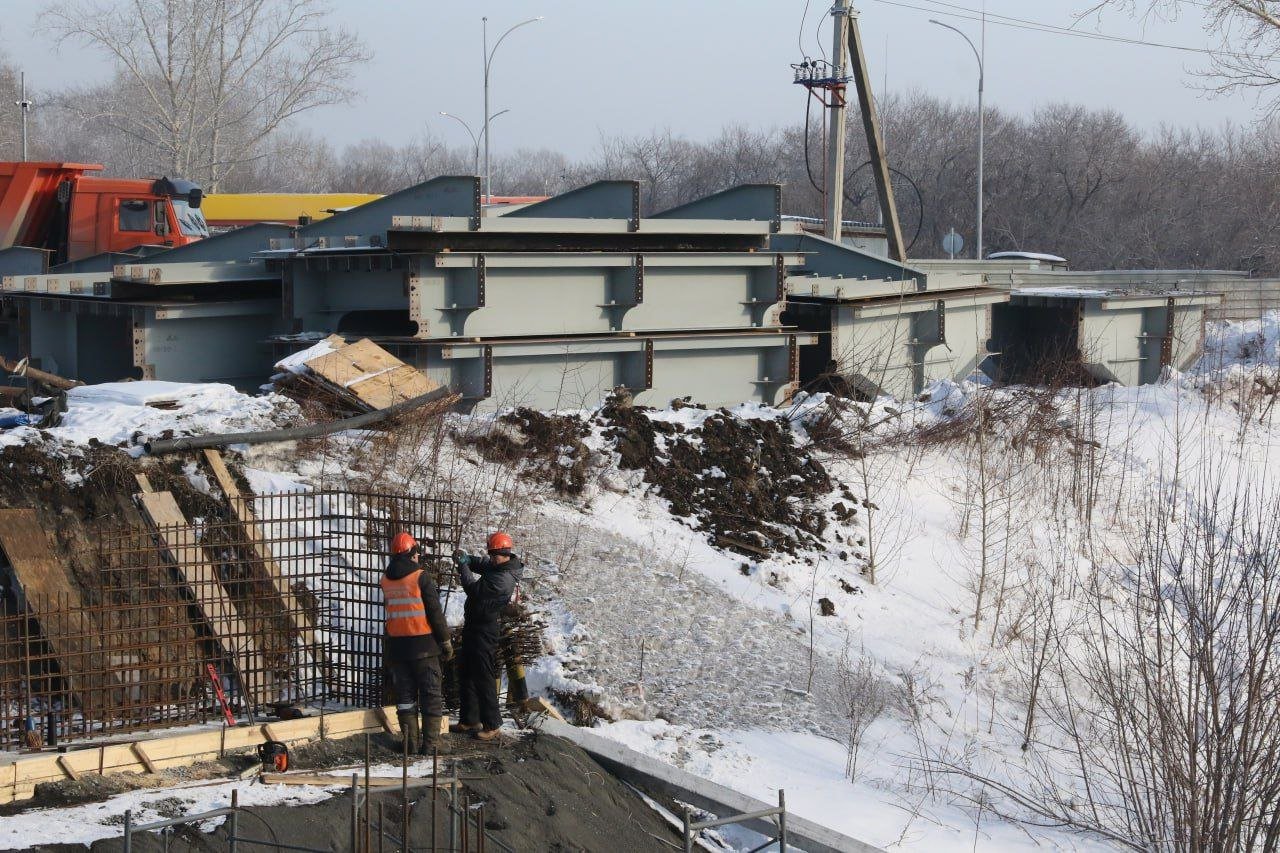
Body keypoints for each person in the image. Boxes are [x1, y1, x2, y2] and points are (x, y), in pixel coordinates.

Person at [381, 531, 452, 754]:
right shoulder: (421, 576)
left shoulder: (386, 579)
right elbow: (434, 612)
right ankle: (431, 745)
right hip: (423, 646)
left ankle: (409, 743)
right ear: (413, 553)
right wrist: (445, 641)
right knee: (431, 695)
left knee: (405, 697)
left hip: (398, 648)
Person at [451, 531, 523, 742]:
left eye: (494, 555)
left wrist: (462, 566)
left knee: (483, 674)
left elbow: (472, 589)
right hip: (475, 624)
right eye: (491, 554)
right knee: (466, 670)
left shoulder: (503, 579)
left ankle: (492, 724)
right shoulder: (499, 565)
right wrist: (466, 558)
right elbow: (481, 564)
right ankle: (470, 719)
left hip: (485, 628)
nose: (491, 558)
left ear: (504, 553)